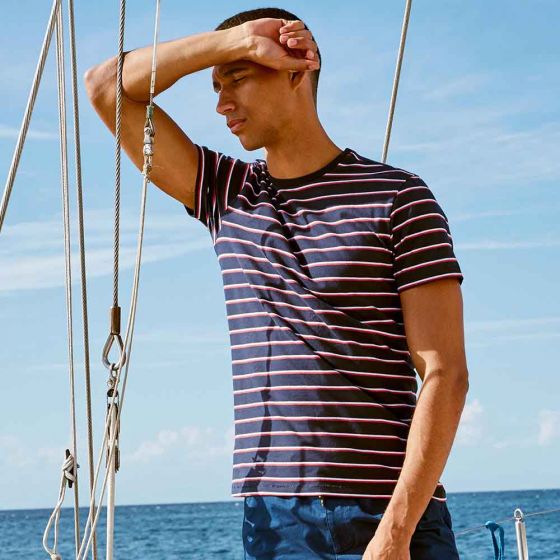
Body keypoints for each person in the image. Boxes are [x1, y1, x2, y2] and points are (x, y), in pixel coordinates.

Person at [85, 7, 469, 559]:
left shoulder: (398, 198)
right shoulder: (226, 194)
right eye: (215, 86)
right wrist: (234, 44)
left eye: (236, 79)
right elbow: (106, 87)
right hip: (275, 521)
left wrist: (396, 532)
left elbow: (445, 373)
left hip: (391, 513)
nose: (221, 104)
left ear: (296, 70)